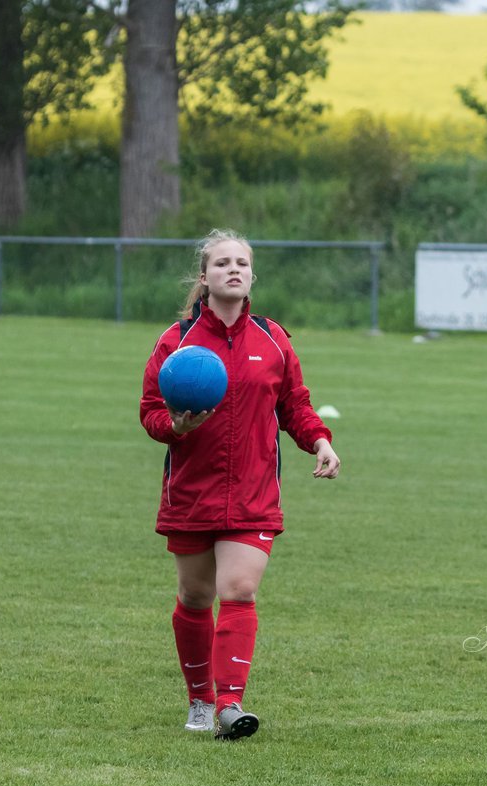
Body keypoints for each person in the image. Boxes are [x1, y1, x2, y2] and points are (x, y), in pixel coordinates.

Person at [139, 228, 341, 740]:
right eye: (222, 263)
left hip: (253, 492)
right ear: (204, 278)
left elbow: (294, 404)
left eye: (242, 263)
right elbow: (151, 413)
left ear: (252, 274)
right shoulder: (176, 340)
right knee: (195, 597)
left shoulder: (272, 339)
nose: (234, 269)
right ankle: (200, 700)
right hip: (192, 491)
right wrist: (176, 427)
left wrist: (318, 440)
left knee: (240, 588)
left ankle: (230, 705)